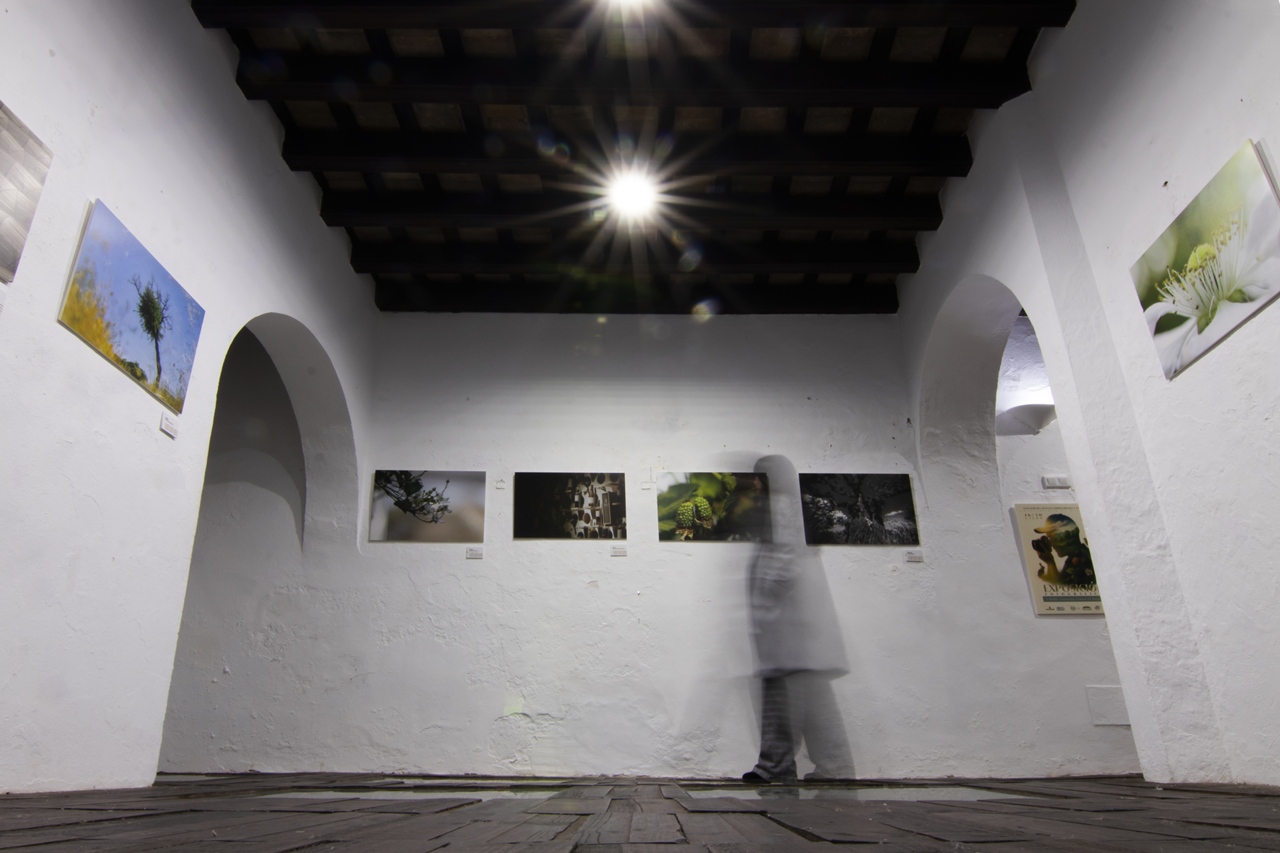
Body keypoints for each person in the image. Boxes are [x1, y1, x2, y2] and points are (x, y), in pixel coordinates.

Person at [743, 455, 855, 784]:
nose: (754, 483)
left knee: (781, 700)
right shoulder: (798, 509)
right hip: (804, 631)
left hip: (787, 629)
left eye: (758, 476)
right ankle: (836, 768)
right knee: (816, 702)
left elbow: (783, 564)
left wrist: (763, 606)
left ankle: (775, 767)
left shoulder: (780, 508)